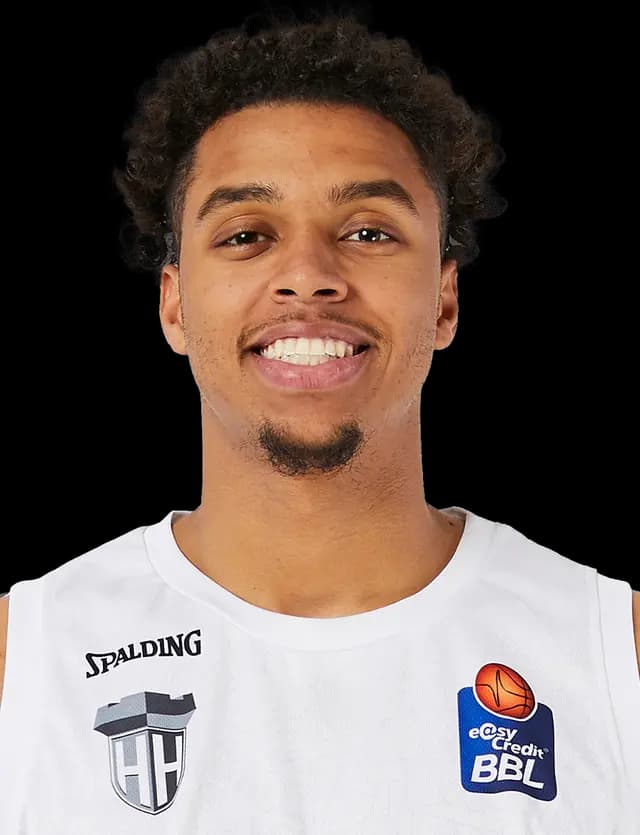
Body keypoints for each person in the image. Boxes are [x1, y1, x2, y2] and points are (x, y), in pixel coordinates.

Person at [1, 8, 638, 833]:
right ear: (174, 306)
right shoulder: (27, 660)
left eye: (368, 230)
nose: (307, 275)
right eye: (246, 235)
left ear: (445, 299)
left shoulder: (612, 652)